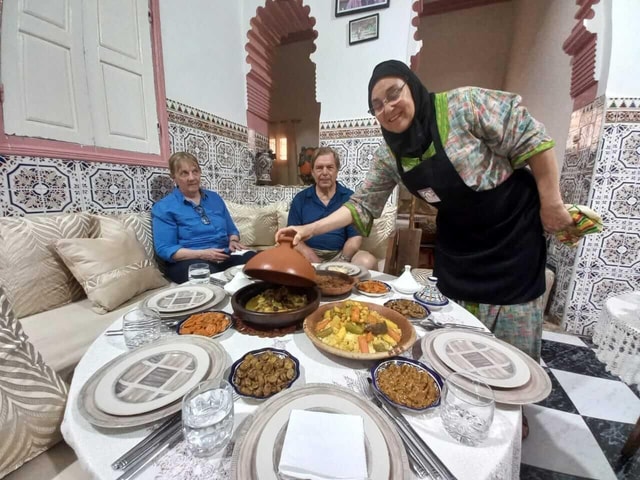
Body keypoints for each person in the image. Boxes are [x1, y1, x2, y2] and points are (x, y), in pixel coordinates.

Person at [277, 60, 574, 364]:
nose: (388, 108)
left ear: (413, 86)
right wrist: (308, 230)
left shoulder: (463, 106)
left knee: (510, 359)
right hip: (458, 248)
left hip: (511, 240)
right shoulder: (390, 155)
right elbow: (361, 204)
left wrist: (551, 202)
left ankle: (510, 407)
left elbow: (530, 136)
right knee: (455, 348)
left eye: (394, 94)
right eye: (377, 105)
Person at [152, 152, 255, 283]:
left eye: (195, 171)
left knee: (256, 262)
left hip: (224, 255)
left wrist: (233, 241)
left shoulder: (214, 198)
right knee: (210, 277)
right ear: (174, 177)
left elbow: (232, 230)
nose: (192, 178)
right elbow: (165, 249)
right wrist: (202, 254)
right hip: (189, 260)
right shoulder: (164, 207)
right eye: (184, 173)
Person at [288, 147, 378, 271]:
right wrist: (313, 259)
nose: (324, 172)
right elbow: (293, 237)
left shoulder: (349, 197)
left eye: (330, 167)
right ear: (312, 172)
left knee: (367, 261)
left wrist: (342, 262)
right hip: (307, 255)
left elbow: (355, 238)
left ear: (337, 171)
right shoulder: (300, 199)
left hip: (340, 254)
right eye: (319, 168)